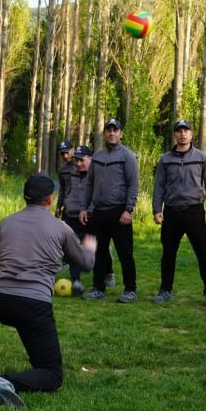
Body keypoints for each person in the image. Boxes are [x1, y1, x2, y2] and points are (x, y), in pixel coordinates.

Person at [0, 174, 98, 408]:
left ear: (25, 197)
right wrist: (90, 248)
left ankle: (35, 366)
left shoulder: (7, 222)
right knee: (52, 375)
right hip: (32, 304)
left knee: (35, 342)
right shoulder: (61, 228)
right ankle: (4, 381)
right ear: (50, 200)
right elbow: (85, 264)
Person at [150, 120, 206, 304]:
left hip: (195, 211)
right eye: (179, 131)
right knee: (168, 254)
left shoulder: (202, 158)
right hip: (171, 212)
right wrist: (157, 209)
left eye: (186, 131)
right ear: (174, 135)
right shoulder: (165, 159)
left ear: (191, 134)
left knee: (204, 253)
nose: (183, 134)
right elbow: (159, 186)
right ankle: (165, 290)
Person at [79, 118, 139, 302]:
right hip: (98, 212)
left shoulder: (127, 156)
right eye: (109, 130)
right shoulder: (97, 156)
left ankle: (130, 290)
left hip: (119, 211)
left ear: (121, 133)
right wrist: (84, 208)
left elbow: (133, 184)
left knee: (124, 253)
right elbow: (89, 184)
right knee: (98, 252)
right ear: (104, 133)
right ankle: (98, 288)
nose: (112, 133)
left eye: (115, 130)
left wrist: (128, 209)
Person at [61, 145, 94, 295]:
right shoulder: (72, 173)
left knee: (94, 248)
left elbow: (99, 194)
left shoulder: (97, 173)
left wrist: (88, 210)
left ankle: (106, 274)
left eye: (82, 160)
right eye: (76, 160)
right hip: (72, 216)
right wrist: (65, 205)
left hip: (91, 217)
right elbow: (67, 191)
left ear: (90, 158)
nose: (78, 163)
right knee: (72, 248)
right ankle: (75, 281)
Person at [55, 140, 75, 217]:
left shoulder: (83, 166)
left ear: (73, 150)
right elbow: (62, 190)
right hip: (67, 208)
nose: (65, 156)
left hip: (81, 208)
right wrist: (58, 206)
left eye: (67, 152)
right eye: (62, 154)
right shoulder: (62, 170)